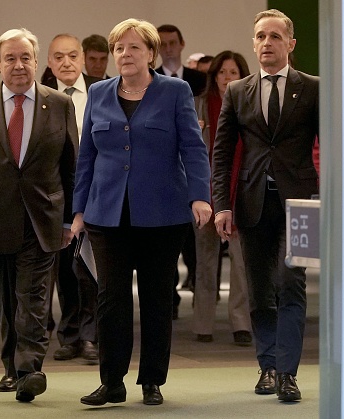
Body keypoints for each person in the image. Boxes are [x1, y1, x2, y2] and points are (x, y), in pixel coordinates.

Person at [73, 19, 211, 406]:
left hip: (163, 213)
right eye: (119, 48)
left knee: (156, 298)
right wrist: (78, 210)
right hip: (106, 214)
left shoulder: (175, 91)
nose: (125, 55)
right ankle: (111, 381)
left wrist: (200, 196)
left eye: (134, 48)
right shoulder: (98, 93)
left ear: (151, 54)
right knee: (110, 298)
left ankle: (151, 380)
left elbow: (193, 148)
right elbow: (87, 157)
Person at [0, 28, 78, 403]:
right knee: (7, 299)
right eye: (10, 58)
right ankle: (11, 368)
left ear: (37, 62)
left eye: (25, 58)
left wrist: (71, 218)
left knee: (33, 295)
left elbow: (71, 166)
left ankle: (30, 369)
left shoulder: (58, 104)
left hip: (45, 217)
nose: (19, 65)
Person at [212, 9, 319, 403]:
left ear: (290, 44)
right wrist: (222, 206)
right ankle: (268, 366)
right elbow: (221, 154)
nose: (266, 43)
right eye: (260, 36)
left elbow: (331, 147)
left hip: (302, 203)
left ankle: (288, 372)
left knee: (292, 283)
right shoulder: (237, 90)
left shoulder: (312, 87)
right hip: (252, 201)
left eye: (275, 36)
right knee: (259, 288)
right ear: (253, 42)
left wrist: (329, 200)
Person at [43, 34, 100, 363]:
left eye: (72, 56)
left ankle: (92, 336)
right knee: (64, 267)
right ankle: (70, 334)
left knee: (92, 267)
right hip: (57, 193)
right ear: (50, 63)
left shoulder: (101, 89)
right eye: (59, 57)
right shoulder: (44, 96)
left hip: (96, 190)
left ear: (82, 59)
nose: (66, 62)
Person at [192, 50, 252, 345]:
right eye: (222, 73)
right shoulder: (198, 105)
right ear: (213, 76)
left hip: (241, 191)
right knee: (205, 262)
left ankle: (241, 322)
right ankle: (203, 322)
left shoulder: (251, 105)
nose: (227, 79)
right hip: (205, 192)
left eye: (233, 73)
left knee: (241, 263)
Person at [155, 23, 205, 318]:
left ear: (182, 43)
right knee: (167, 247)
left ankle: (199, 290)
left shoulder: (199, 79)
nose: (169, 48)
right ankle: (169, 296)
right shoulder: (151, 81)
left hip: (190, 170)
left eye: (173, 42)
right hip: (165, 176)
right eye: (163, 43)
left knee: (194, 244)